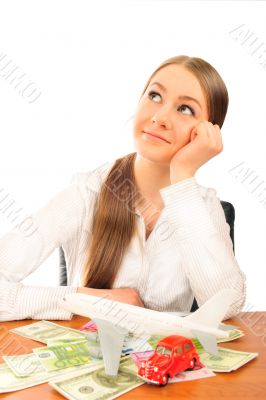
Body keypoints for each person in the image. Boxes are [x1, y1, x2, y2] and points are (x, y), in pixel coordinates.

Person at [0, 55, 246, 322]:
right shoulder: (87, 193)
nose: (160, 117)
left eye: (185, 109)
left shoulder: (203, 207)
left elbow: (226, 305)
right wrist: (88, 298)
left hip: (164, 362)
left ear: (208, 133)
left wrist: (183, 177)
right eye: (154, 96)